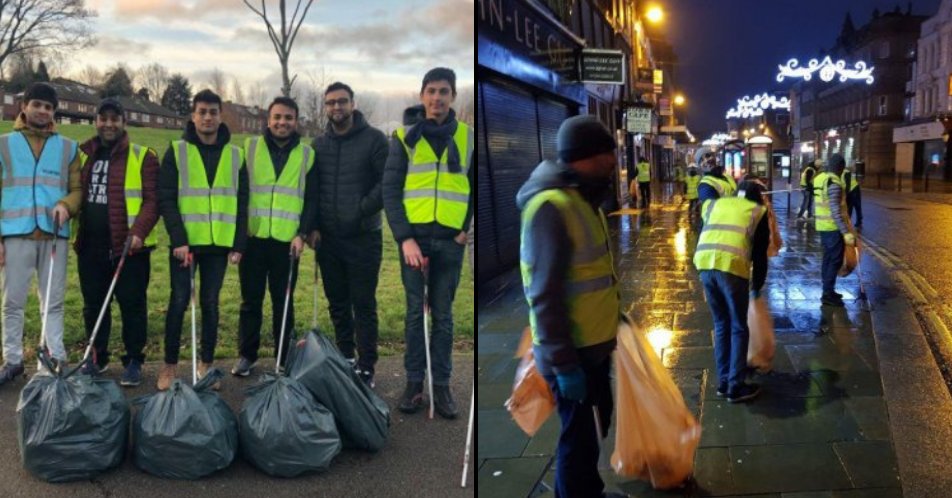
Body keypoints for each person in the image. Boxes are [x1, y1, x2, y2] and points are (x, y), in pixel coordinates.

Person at [517, 115, 622, 498]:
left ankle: (588, 490)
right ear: (585, 156)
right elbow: (544, 295)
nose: (613, 161)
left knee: (594, 429)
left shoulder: (581, 199)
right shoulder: (551, 207)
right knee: (578, 440)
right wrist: (564, 366)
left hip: (592, 347)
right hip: (573, 356)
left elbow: (591, 276)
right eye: (607, 154)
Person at [384, 67, 473, 418]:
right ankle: (414, 383)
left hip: (451, 242)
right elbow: (390, 191)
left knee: (444, 318)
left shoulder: (466, 136)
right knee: (413, 316)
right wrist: (405, 239)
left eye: (444, 92)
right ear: (422, 96)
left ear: (453, 97)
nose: (437, 98)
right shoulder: (404, 137)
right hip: (414, 242)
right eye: (431, 91)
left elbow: (477, 187)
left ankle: (442, 387)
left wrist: (465, 229)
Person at [158, 89, 249, 390]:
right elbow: (167, 199)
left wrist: (238, 244)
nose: (207, 117)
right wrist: (178, 239)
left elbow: (242, 201)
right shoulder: (177, 150)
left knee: (210, 303)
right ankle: (169, 365)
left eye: (213, 112)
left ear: (220, 116)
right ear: (193, 116)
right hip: (185, 244)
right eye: (202, 112)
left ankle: (205, 365)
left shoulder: (236, 156)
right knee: (179, 301)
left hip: (218, 244)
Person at [306, 82, 388, 388]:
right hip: (328, 240)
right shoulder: (318, 145)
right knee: (337, 302)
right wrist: (312, 227)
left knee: (363, 303)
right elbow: (313, 191)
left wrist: (361, 209)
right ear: (325, 107)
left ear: (353, 104)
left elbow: (386, 182)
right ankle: (346, 356)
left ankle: (367, 365)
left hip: (364, 238)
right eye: (330, 103)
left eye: (342, 102)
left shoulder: (375, 140)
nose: (336, 107)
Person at [0, 82, 82, 385]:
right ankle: (12, 360)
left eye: (48, 107)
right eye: (37, 105)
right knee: (12, 302)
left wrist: (66, 205)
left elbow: (77, 190)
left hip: (54, 234)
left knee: (54, 301)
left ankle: (54, 357)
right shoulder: (4, 143)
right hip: (15, 234)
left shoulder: (68, 148)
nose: (43, 111)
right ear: (24, 106)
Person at [75, 98, 160, 386]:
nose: (109, 124)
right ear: (96, 121)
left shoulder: (143, 156)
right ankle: (96, 357)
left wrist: (139, 231)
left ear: (123, 122)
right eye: (103, 118)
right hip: (90, 247)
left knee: (132, 306)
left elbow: (152, 200)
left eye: (115, 118)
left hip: (130, 249)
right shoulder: (83, 155)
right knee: (94, 305)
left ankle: (134, 360)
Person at [232, 96, 314, 378]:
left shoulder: (306, 154)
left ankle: (283, 356)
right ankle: (247, 355)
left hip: (286, 241)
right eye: (277, 117)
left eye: (288, 118)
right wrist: (239, 236)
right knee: (250, 301)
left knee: (284, 301)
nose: (282, 122)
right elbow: (241, 193)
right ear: (268, 120)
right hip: (254, 238)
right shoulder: (250, 147)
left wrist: (302, 234)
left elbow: (311, 198)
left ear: (296, 121)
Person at [693, 179, 770, 403]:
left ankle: (723, 382)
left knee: (720, 324)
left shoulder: (715, 204)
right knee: (738, 326)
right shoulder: (757, 211)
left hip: (705, 264)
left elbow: (701, 233)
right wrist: (756, 287)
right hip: (732, 267)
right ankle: (735, 387)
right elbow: (760, 255)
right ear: (757, 197)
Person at [813, 153, 856, 308]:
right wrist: (845, 232)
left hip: (823, 226)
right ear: (840, 167)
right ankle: (827, 293)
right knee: (835, 260)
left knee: (828, 259)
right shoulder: (834, 183)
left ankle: (828, 290)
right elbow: (835, 211)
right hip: (832, 227)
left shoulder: (822, 179)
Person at [841, 163, 863, 228]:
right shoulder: (838, 174)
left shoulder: (846, 172)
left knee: (855, 205)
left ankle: (858, 221)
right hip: (850, 190)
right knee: (850, 206)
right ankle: (848, 222)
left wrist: (846, 195)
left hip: (854, 189)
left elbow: (848, 185)